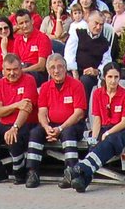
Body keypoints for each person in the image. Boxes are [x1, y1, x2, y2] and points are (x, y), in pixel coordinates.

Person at [67, 61, 125, 190]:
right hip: (102, 128)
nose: (113, 81)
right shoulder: (97, 93)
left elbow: (124, 122)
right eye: (110, 77)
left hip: (119, 131)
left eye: (116, 77)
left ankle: (80, 169)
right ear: (104, 78)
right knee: (95, 145)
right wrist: (94, 137)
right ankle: (81, 180)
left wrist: (108, 133)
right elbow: (97, 119)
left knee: (109, 141)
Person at [0, 53, 38, 184]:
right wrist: (16, 104)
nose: (12, 73)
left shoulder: (29, 80)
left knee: (13, 136)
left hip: (25, 123)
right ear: (3, 70)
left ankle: (19, 172)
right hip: (4, 122)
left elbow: (26, 109)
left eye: (15, 69)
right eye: (8, 70)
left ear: (21, 68)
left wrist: (15, 127)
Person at [27, 53, 87, 185]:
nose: (56, 70)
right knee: (35, 133)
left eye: (60, 66)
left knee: (68, 132)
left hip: (73, 124)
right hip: (52, 124)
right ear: (48, 70)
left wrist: (60, 128)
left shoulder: (77, 85)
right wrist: (47, 127)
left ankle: (71, 172)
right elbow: (42, 112)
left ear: (65, 68)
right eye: (53, 67)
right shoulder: (45, 87)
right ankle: (33, 172)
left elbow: (79, 113)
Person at [12, 9, 54, 76]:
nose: (25, 25)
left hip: (38, 73)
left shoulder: (42, 38)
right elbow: (15, 61)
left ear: (32, 21)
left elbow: (41, 66)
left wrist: (22, 71)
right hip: (23, 69)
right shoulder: (17, 40)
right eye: (21, 23)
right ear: (17, 25)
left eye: (26, 22)